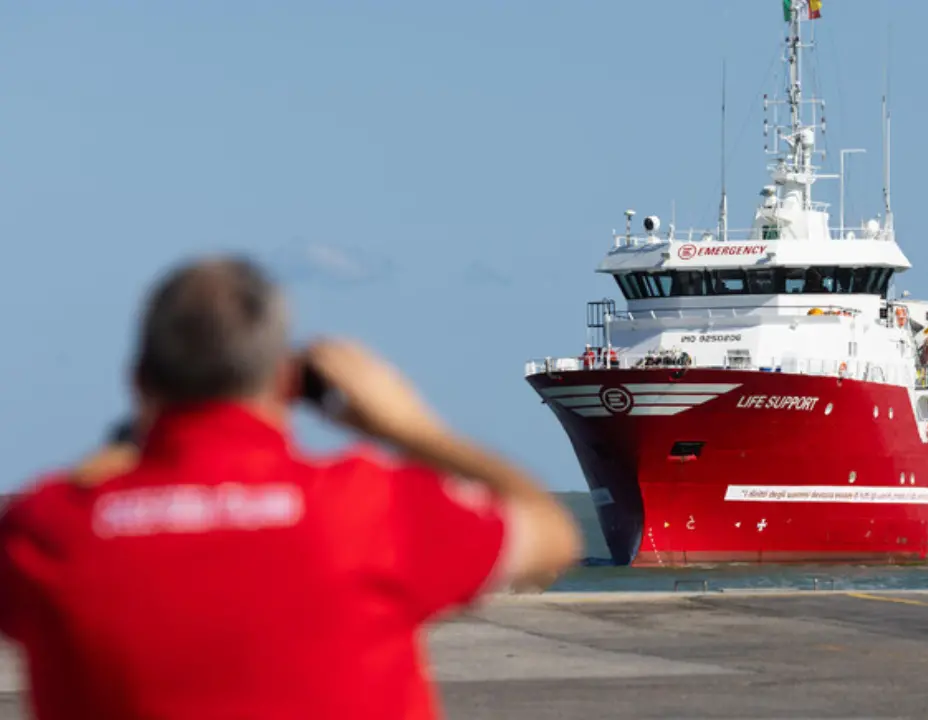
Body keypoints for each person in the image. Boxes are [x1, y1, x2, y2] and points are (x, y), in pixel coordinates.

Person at [0, 255, 582, 720]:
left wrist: (128, 450)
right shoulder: (367, 508)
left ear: (138, 381)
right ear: (286, 380)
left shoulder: (48, 531)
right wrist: (407, 425)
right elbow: (553, 535)